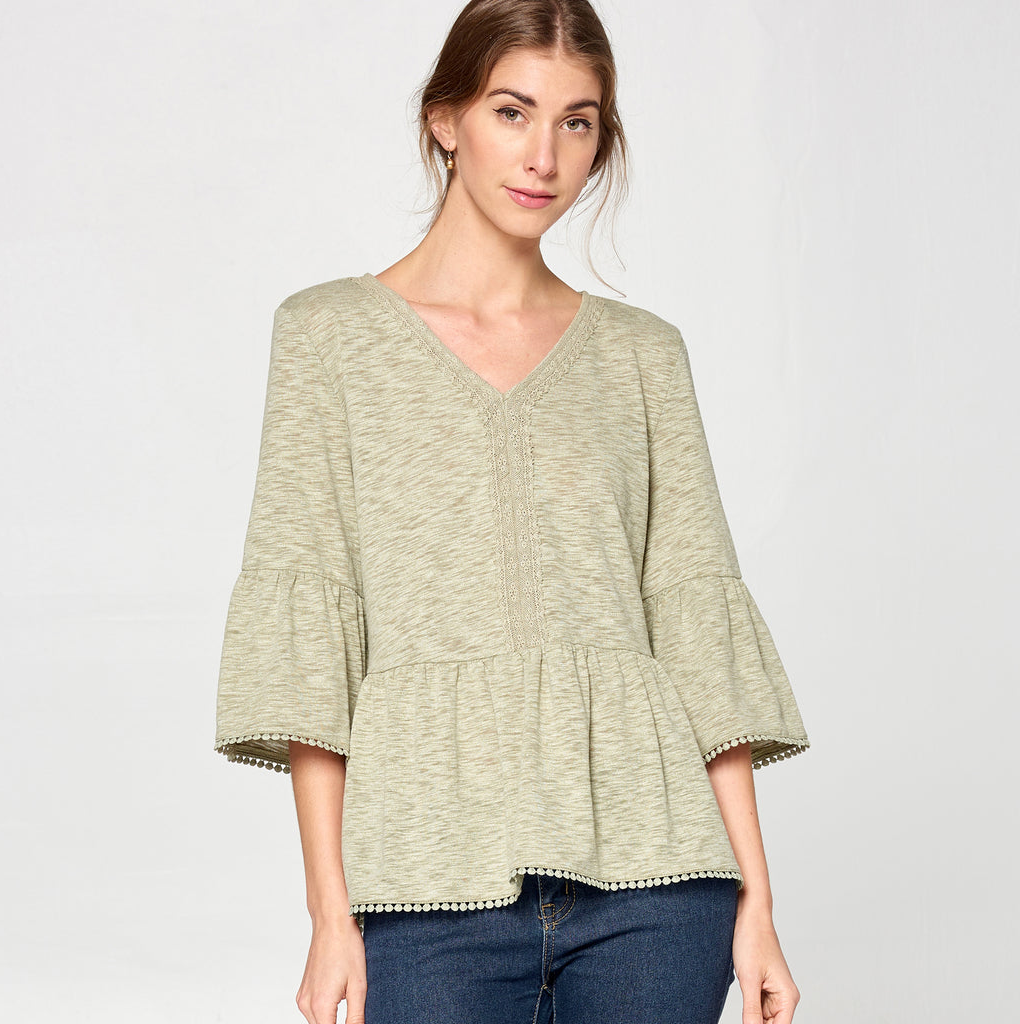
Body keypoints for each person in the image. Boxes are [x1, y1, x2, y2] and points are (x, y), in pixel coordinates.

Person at [214, 1, 810, 1022]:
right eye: (511, 111)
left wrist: (757, 904)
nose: (544, 156)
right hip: (422, 895)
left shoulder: (641, 356)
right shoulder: (327, 338)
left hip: (660, 888)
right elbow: (313, 641)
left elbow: (693, 621)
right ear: (445, 119)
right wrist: (330, 915)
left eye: (577, 122)